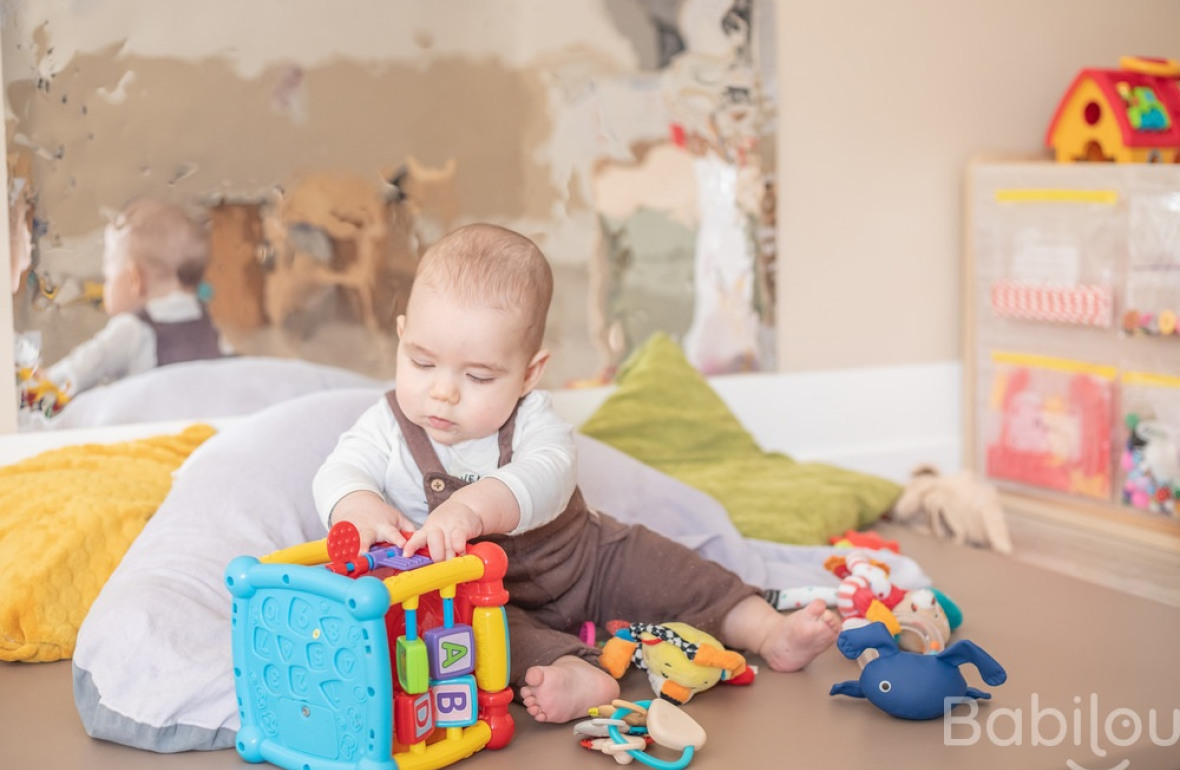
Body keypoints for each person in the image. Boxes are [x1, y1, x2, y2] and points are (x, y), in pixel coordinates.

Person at [312, 222, 840, 724]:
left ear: (529, 373)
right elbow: (340, 469)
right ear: (402, 336)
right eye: (422, 363)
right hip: (482, 598)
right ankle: (575, 671)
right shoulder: (386, 425)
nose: (443, 391)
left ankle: (767, 630)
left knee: (670, 571)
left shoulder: (534, 419)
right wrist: (358, 505)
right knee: (480, 639)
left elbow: (546, 475)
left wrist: (469, 509)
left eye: (478, 376)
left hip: (587, 560)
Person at [43, 197, 229, 396]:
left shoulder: (132, 330)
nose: (105, 285)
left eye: (108, 277)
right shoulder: (211, 323)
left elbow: (76, 372)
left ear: (135, 279)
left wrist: (38, 384)